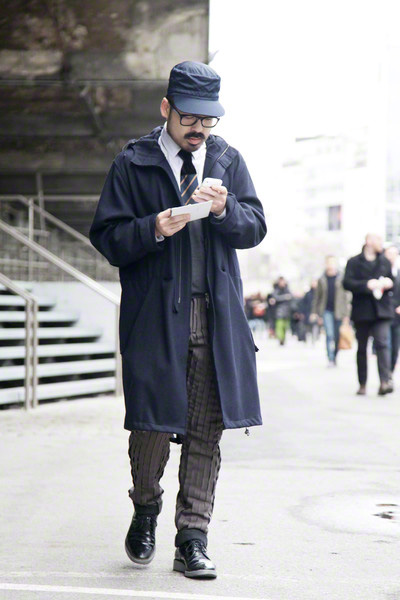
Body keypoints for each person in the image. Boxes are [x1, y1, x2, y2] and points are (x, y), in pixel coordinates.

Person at [89, 61, 266, 579]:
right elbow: (107, 238)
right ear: (166, 108)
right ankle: (145, 509)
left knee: (206, 430)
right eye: (189, 117)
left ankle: (193, 538)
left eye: (208, 120)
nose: (199, 129)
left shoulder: (228, 160)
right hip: (154, 318)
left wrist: (225, 210)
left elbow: (254, 227)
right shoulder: (134, 161)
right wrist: (153, 228)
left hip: (215, 318)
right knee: (150, 426)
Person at [343, 234, 394, 396]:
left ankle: (385, 381)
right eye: (378, 241)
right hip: (362, 310)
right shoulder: (354, 262)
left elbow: (393, 281)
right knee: (362, 347)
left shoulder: (384, 261)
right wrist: (366, 285)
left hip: (382, 310)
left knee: (382, 343)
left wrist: (389, 283)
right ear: (369, 242)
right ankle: (362, 383)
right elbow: (347, 283)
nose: (381, 244)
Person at [311, 256, 351, 366]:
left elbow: (347, 296)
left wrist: (347, 314)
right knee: (329, 334)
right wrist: (315, 312)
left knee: (337, 335)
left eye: (332, 262)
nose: (330, 265)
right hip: (326, 310)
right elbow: (317, 297)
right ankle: (330, 358)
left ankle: (335, 355)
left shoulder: (342, 278)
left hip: (339, 311)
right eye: (329, 262)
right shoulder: (322, 279)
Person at [384, 245, 400, 381]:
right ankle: (385, 374)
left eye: (393, 253)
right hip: (383, 314)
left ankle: (390, 371)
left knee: (395, 346)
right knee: (385, 344)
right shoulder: (380, 272)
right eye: (389, 253)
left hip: (397, 315)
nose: (391, 256)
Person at [271, 277, 292, 345]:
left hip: (287, 310)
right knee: (279, 325)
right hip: (279, 311)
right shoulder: (276, 289)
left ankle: (283, 338)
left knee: (285, 326)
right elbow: (275, 298)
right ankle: (280, 338)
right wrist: (285, 297)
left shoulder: (287, 289)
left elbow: (291, 297)